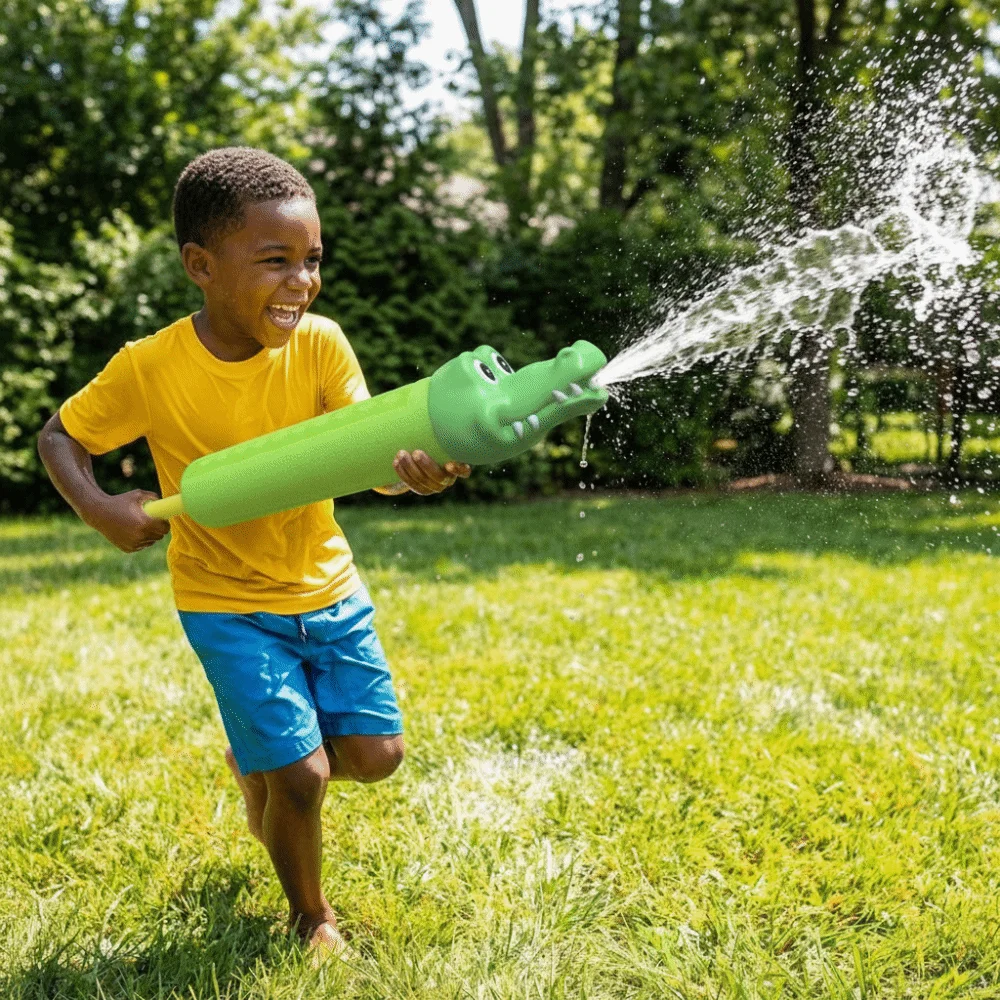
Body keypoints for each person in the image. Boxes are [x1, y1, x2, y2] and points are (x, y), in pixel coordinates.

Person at [36, 146, 471, 960]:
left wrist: (416, 473)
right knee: (302, 779)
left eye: (312, 261)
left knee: (377, 758)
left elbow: (369, 454)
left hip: (326, 586)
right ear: (201, 265)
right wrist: (97, 507)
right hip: (223, 600)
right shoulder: (151, 366)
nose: (301, 282)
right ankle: (313, 916)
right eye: (276, 261)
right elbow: (61, 434)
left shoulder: (323, 345)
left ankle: (260, 763)